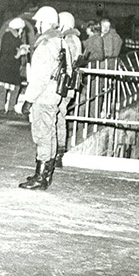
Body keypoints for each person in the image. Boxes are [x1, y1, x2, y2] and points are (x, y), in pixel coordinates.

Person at [19, 6, 63, 190]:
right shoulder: (59, 42)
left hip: (43, 96)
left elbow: (39, 78)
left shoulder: (45, 45)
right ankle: (46, 174)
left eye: (38, 22)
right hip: (53, 94)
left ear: (46, 23)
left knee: (42, 135)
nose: (36, 25)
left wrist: (28, 100)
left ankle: (40, 178)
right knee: (50, 134)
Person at [55, 11, 83, 168]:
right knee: (60, 115)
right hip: (67, 84)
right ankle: (58, 151)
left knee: (59, 115)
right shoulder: (73, 38)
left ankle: (59, 152)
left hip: (65, 85)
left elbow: (67, 63)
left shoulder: (70, 40)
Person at [0, 17, 29, 113]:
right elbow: (10, 52)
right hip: (10, 66)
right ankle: (9, 108)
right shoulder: (10, 36)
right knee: (14, 87)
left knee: (4, 87)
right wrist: (19, 54)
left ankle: (2, 108)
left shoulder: (9, 35)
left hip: (6, 66)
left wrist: (22, 47)